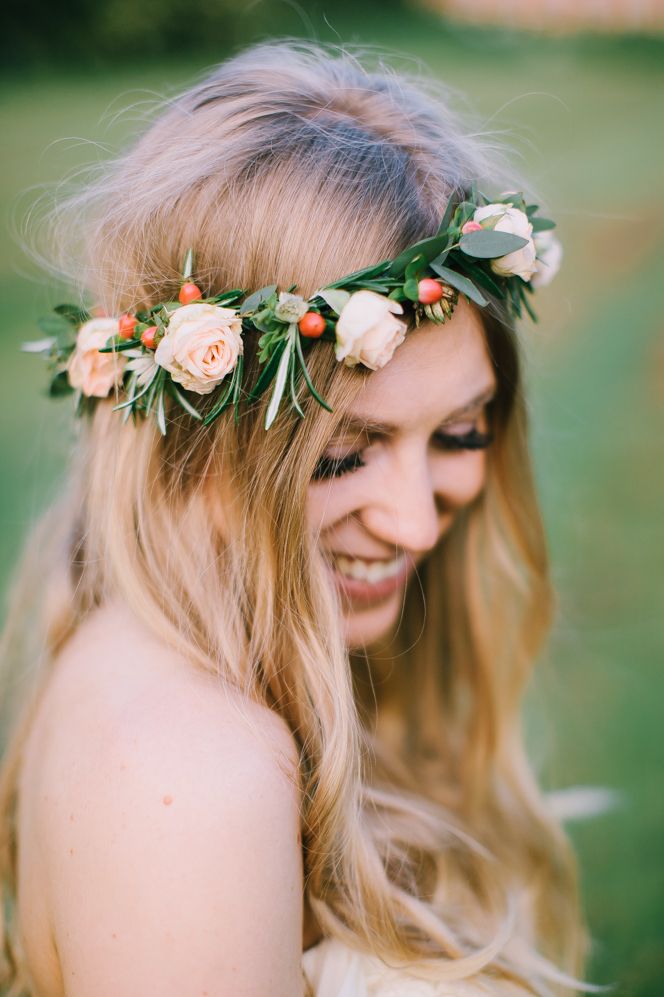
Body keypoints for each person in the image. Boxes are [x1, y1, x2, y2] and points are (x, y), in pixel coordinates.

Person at [0, 38, 596, 997]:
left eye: (459, 432)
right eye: (341, 456)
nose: (410, 524)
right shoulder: (187, 773)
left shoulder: (236, 672)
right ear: (188, 434)